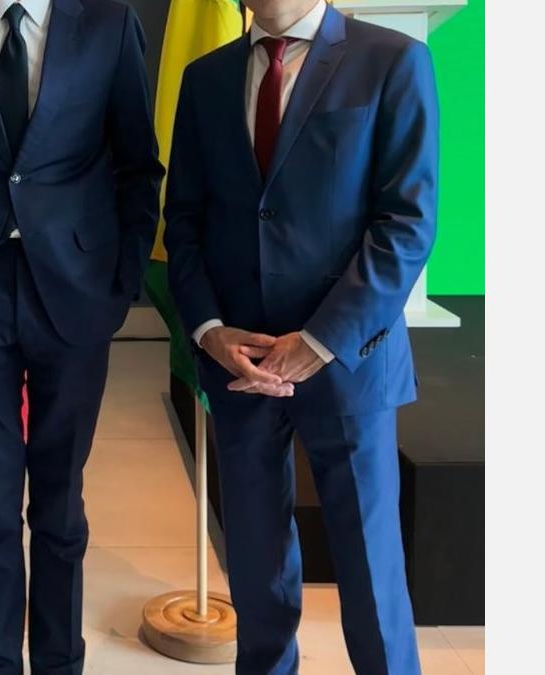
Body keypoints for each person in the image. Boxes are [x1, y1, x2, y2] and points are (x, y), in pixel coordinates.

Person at [164, 0, 438, 672]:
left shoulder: (393, 61)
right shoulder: (206, 78)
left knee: (370, 569)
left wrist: (318, 341)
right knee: (255, 564)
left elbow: (406, 224)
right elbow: (185, 223)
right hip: (240, 363)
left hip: (348, 361)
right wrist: (208, 329)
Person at [0, 0, 164, 672]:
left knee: (59, 501)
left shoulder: (109, 23)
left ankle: (58, 660)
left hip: (76, 290)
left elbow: (138, 163)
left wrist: (121, 280)